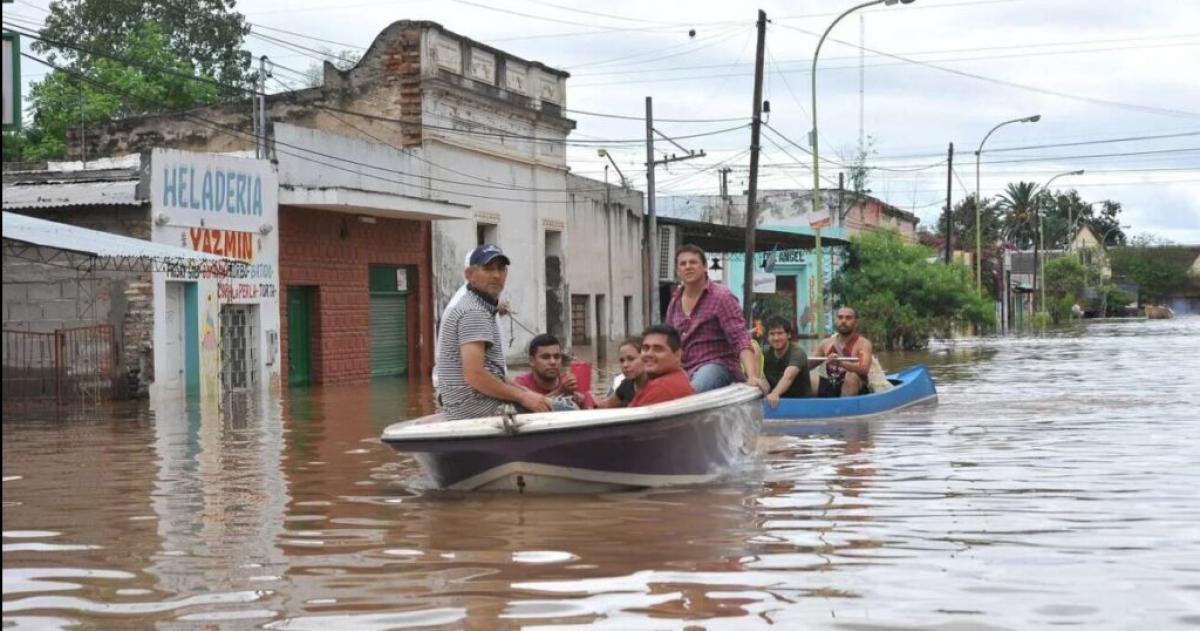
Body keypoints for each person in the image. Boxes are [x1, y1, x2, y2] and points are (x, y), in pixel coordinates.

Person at [436, 244, 552, 420]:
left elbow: (493, 373)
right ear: (470, 275)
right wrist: (523, 397)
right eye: (488, 269)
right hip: (476, 408)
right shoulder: (474, 312)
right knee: (568, 408)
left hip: (472, 404)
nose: (496, 275)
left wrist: (529, 393)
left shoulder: (479, 305)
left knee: (548, 401)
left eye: (501, 269)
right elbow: (475, 375)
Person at [665, 244, 762, 393]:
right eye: (683, 264)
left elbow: (740, 337)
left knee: (693, 391)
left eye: (693, 262)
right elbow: (668, 341)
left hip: (716, 365)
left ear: (705, 267)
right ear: (678, 271)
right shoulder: (675, 300)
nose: (688, 267)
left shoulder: (722, 297)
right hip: (683, 368)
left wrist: (752, 376)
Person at [514, 333, 596, 410]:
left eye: (557, 357)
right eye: (545, 357)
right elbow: (524, 412)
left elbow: (592, 413)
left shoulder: (572, 383)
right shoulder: (519, 385)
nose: (553, 362)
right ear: (532, 361)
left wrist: (580, 404)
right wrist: (561, 392)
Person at [814, 306, 874, 398]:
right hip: (832, 384)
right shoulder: (825, 343)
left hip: (855, 388)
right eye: (840, 317)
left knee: (851, 377)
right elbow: (809, 364)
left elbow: (863, 368)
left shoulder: (863, 344)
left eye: (848, 318)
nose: (843, 321)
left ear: (855, 322)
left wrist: (840, 363)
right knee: (808, 377)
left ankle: (844, 407)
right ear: (836, 320)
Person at [630, 324, 695, 406]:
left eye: (658, 349)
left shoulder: (662, 388)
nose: (649, 354)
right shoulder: (675, 378)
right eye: (645, 348)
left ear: (677, 355)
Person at [759, 315, 812, 408]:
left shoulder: (797, 352)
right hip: (774, 405)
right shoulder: (764, 353)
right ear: (767, 337)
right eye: (772, 334)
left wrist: (775, 393)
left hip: (800, 405)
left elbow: (789, 377)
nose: (776, 338)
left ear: (788, 335)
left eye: (780, 333)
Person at [596, 336, 646, 409]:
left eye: (631, 359)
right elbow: (605, 406)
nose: (625, 365)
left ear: (646, 358)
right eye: (622, 361)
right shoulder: (626, 384)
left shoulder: (657, 385)